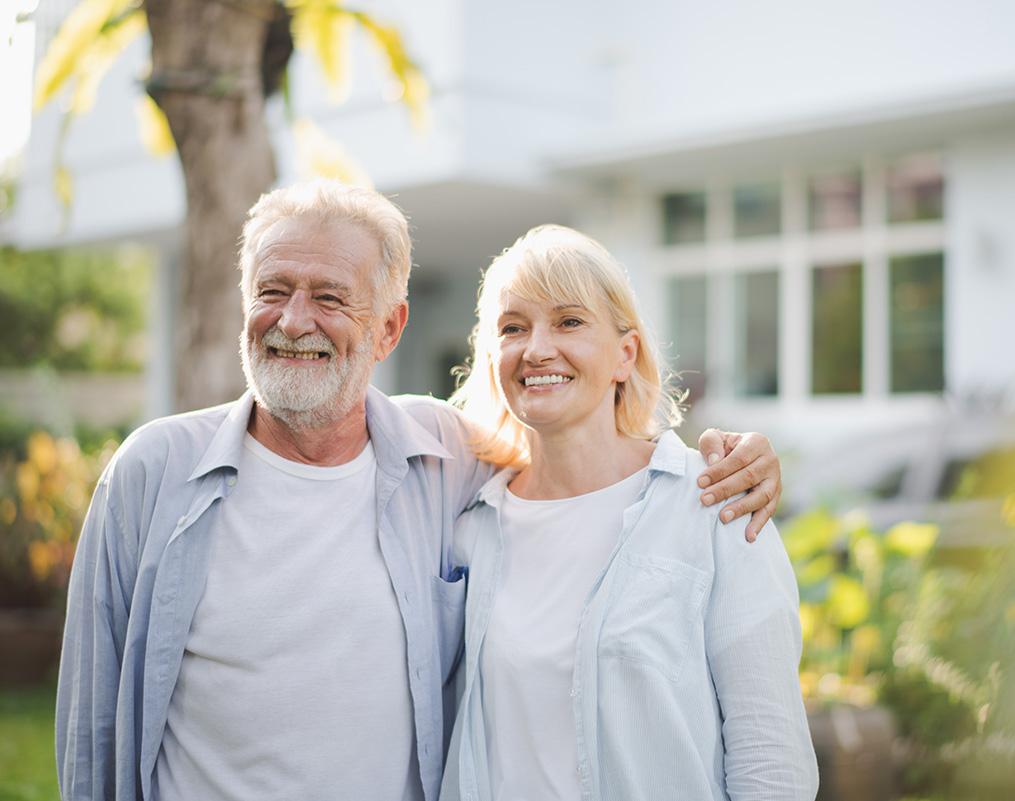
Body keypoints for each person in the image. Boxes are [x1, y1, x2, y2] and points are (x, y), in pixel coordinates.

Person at [56, 179, 784, 801]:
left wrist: (734, 456)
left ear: (389, 328)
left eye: (330, 297)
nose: (294, 319)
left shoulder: (440, 461)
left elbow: (768, 753)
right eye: (272, 291)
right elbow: (90, 728)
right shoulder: (153, 473)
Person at [441, 225, 818, 800]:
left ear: (625, 354)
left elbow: (773, 759)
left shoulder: (715, 502)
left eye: (569, 321)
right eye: (514, 328)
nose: (537, 348)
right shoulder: (472, 527)